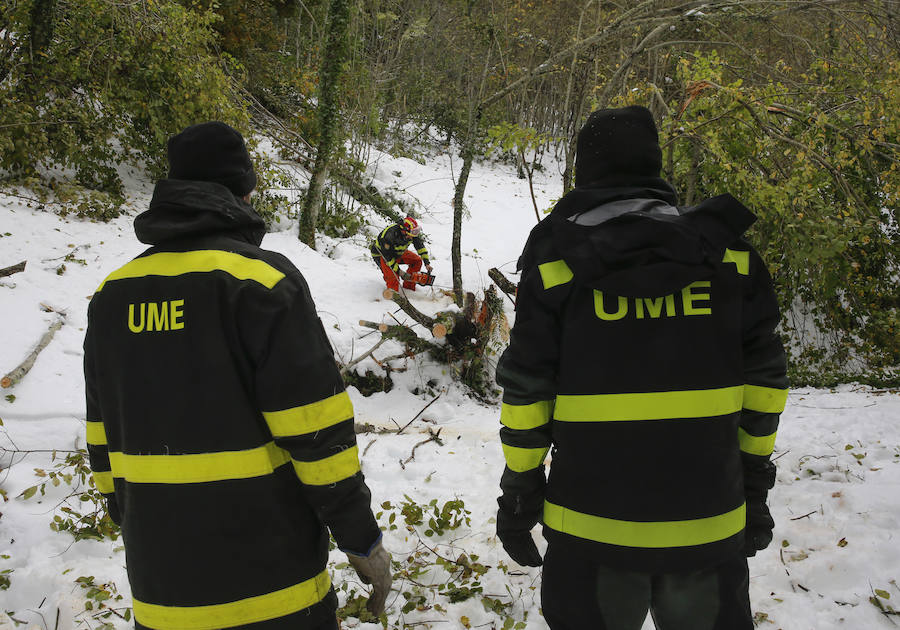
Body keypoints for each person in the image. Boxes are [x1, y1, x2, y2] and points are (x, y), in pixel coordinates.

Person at [84, 121, 391, 630]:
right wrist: (361, 540)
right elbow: (316, 433)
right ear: (244, 192)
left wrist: (138, 526)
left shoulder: (112, 295)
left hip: (163, 598)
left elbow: (102, 439)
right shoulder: (261, 283)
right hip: (276, 596)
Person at [494, 106, 788, 630]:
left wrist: (520, 492)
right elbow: (764, 388)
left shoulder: (556, 266)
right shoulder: (730, 260)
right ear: (656, 168)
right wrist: (754, 485)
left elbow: (527, 393)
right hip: (707, 527)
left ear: (585, 171)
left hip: (589, 535)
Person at [370, 216, 433, 292]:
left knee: (417, 261)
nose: (413, 236)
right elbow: (388, 258)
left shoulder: (411, 234)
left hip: (397, 252)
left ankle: (409, 288)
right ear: (404, 230)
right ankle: (393, 296)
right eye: (413, 232)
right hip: (382, 256)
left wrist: (427, 263)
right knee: (394, 277)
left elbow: (420, 247)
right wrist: (401, 273)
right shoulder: (389, 236)